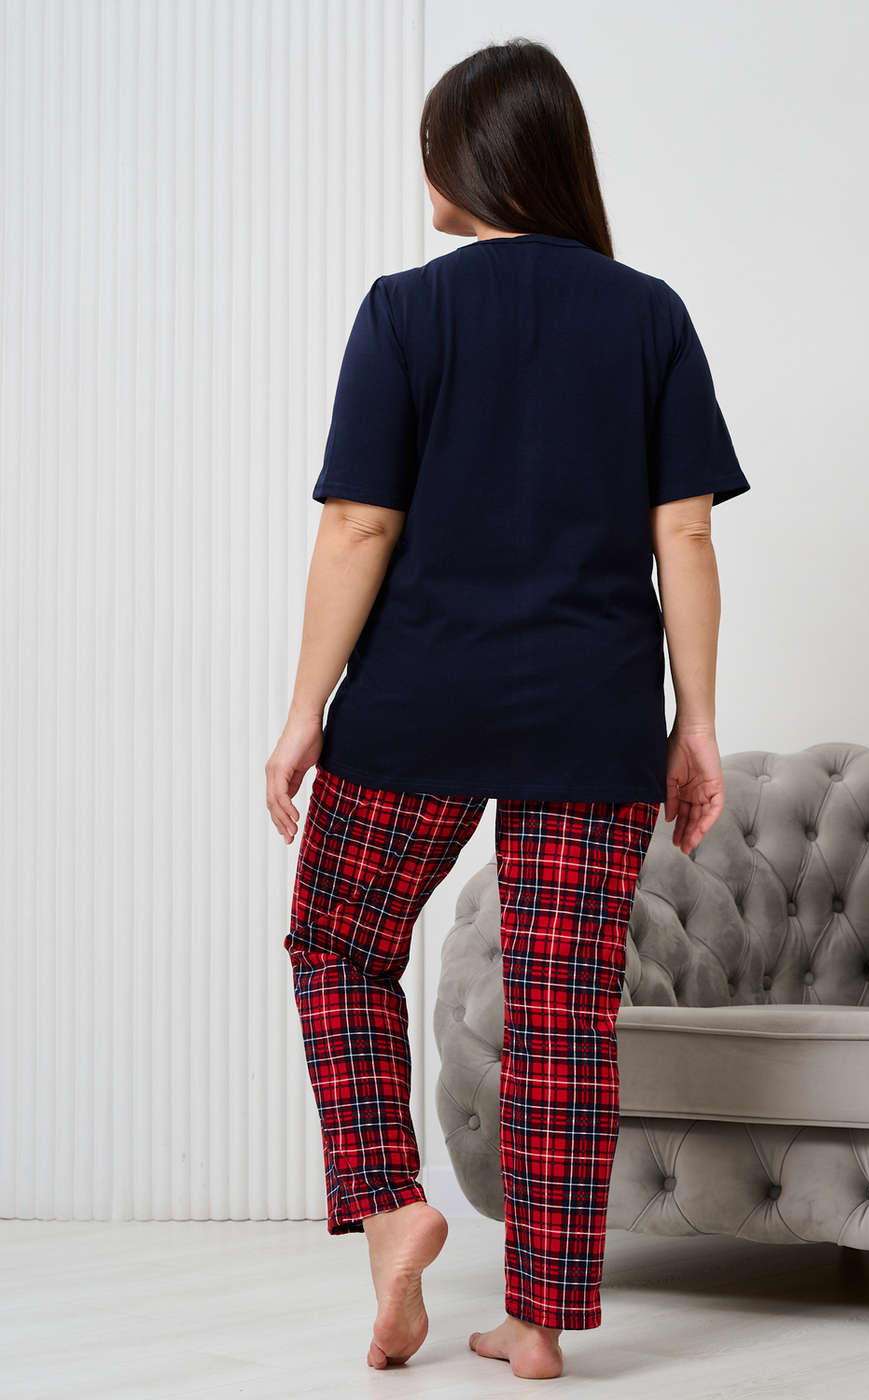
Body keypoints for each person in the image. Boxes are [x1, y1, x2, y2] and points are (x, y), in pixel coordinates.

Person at [265, 36, 750, 1381]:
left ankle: (391, 1207)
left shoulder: (404, 313)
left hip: (415, 705)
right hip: (593, 720)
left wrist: (305, 708)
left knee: (337, 942)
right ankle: (535, 1323)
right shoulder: (648, 315)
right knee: (559, 1012)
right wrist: (696, 722)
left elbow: (358, 524)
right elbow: (685, 536)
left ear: (464, 162)